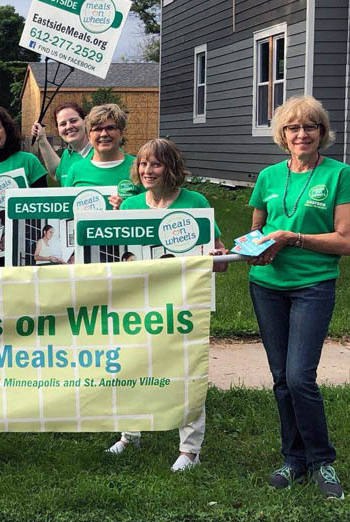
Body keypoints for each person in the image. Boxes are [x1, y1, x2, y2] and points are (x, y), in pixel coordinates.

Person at [247, 96, 350, 499]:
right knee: (281, 379)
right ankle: (293, 459)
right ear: (283, 134)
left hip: (313, 285)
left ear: (321, 133)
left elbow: (346, 242)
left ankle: (322, 461)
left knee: (299, 376)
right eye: (293, 128)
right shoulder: (269, 177)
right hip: (266, 286)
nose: (302, 134)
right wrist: (252, 247)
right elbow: (256, 229)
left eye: (310, 127)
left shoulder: (340, 174)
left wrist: (294, 237)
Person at [105, 138, 228, 470]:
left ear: (171, 168)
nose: (147, 170)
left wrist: (216, 255)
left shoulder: (195, 202)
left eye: (156, 164)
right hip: (137, 307)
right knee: (130, 368)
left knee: (186, 374)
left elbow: (221, 261)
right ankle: (130, 434)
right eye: (143, 164)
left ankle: (190, 450)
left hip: (183, 307)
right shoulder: (129, 208)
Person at [65, 104, 139, 200]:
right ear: (89, 135)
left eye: (110, 128)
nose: (104, 134)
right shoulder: (76, 170)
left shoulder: (138, 166)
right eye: (97, 129)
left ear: (121, 133)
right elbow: (66, 209)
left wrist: (126, 207)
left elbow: (152, 205)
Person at [29, 102, 93, 187]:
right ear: (58, 130)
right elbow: (56, 173)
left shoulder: (100, 153)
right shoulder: (67, 155)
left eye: (73, 121)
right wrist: (41, 139)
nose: (69, 126)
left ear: (85, 122)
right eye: (63, 124)